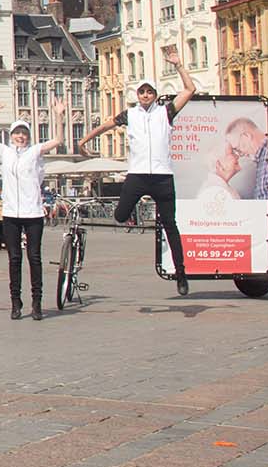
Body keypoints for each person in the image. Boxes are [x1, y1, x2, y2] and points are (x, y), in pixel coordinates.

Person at [79, 48, 198, 295]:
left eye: (149, 92)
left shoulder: (166, 111)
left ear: (155, 95)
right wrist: (84, 141)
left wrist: (178, 65)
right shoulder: (130, 115)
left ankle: (182, 274)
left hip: (163, 176)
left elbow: (189, 90)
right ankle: (137, 213)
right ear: (138, 94)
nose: (145, 95)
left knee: (170, 225)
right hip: (138, 175)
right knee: (121, 215)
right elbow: (105, 126)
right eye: (142, 91)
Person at [0, 101, 69, 320]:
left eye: (24, 133)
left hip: (33, 213)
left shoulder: (35, 151)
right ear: (11, 136)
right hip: (10, 213)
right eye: (17, 133)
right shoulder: (6, 152)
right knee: (14, 259)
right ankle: (15, 302)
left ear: (28, 135)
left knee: (34, 258)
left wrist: (58, 116)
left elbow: (58, 140)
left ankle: (36, 302)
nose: (20, 136)